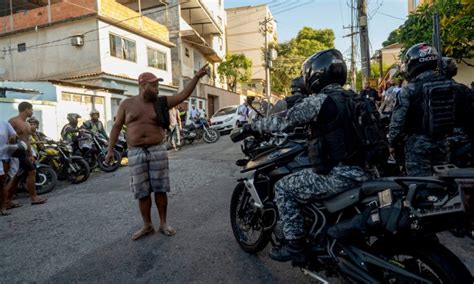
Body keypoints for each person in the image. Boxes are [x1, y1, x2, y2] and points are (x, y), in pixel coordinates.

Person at [250, 49, 370, 262]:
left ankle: (295, 245)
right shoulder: (357, 99)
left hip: (340, 176)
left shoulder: (319, 101)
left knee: (283, 188)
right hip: (368, 171)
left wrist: (252, 127)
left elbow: (282, 120)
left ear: (315, 75)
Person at [105, 66, 209, 240]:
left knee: (160, 189)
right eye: (153, 86)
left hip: (157, 150)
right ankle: (147, 225)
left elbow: (183, 95)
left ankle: (163, 223)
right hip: (136, 152)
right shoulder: (127, 104)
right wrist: (110, 150)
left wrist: (197, 77)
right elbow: (116, 127)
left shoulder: (161, 102)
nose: (157, 89)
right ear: (143, 86)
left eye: (157, 86)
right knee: (142, 192)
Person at [388, 43, 472, 176]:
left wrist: (392, 144)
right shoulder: (456, 86)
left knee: (420, 185)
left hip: (418, 146)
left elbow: (397, 123)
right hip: (444, 143)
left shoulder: (409, 90)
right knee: (444, 181)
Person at [5, 102, 47, 205]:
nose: (32, 112)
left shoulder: (27, 124)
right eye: (31, 109)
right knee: (32, 171)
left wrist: (30, 155)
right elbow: (5, 137)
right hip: (15, 153)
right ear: (26, 109)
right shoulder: (13, 121)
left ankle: (7, 201)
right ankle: (34, 197)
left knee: (17, 177)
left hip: (23, 153)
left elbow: (27, 141)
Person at [0, 121, 17, 215]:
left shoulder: (4, 124)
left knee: (2, 183)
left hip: (3, 157)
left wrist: (12, 138)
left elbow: (14, 134)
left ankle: (3, 208)